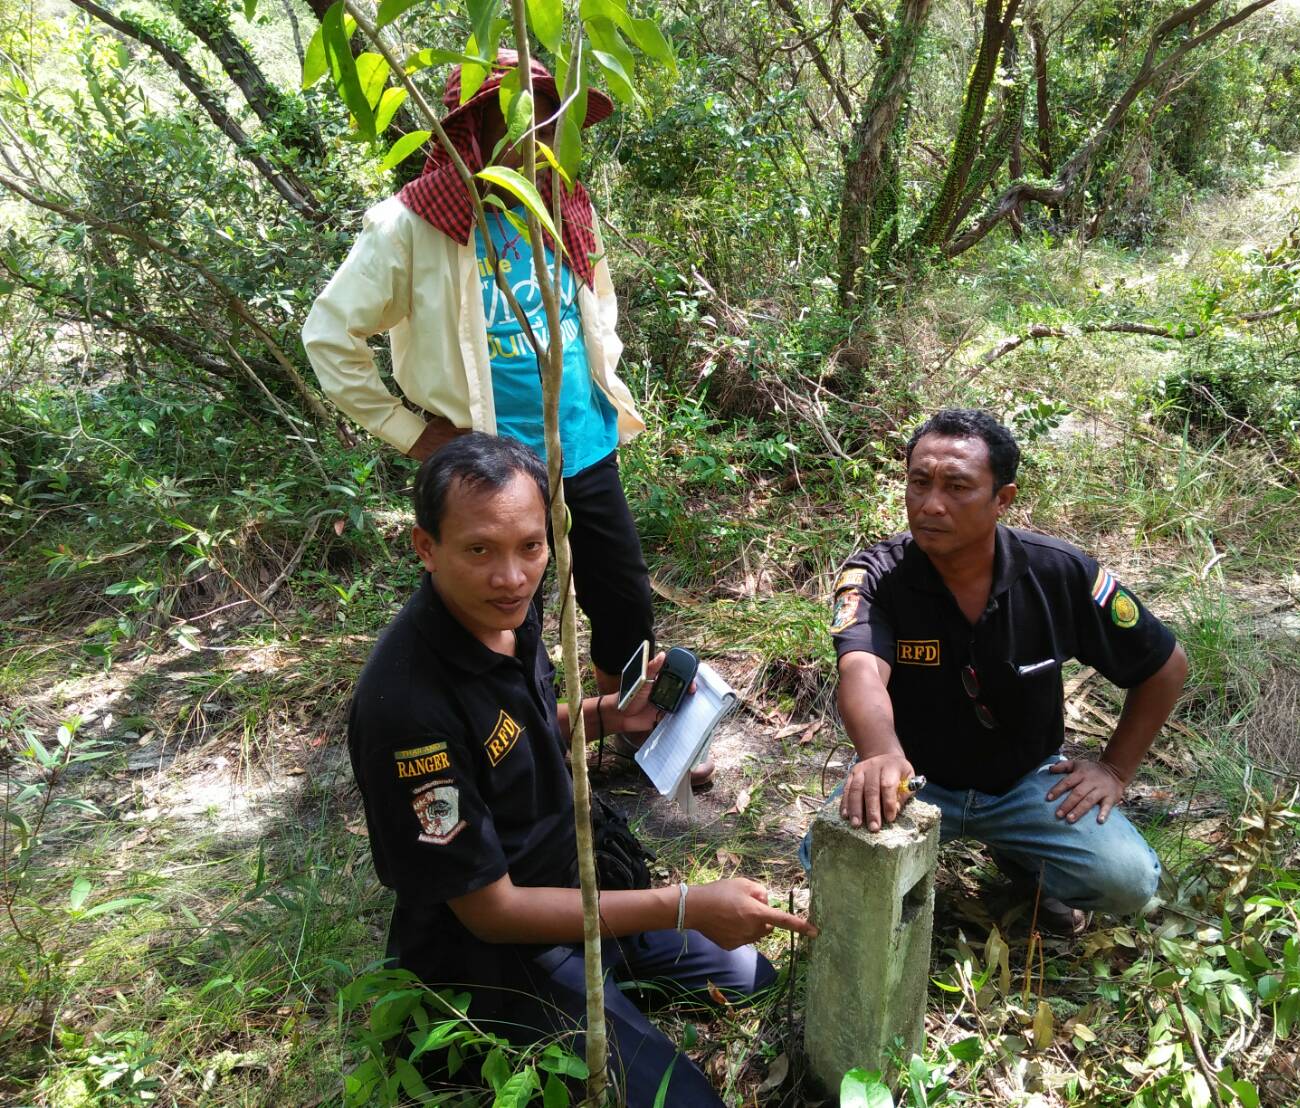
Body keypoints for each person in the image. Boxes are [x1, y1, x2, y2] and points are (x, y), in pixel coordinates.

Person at [349, 433, 814, 1105]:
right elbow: (492, 913)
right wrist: (685, 905)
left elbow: (517, 726)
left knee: (750, 978)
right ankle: (528, 1028)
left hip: (573, 880)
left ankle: (611, 982)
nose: (511, 576)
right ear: (427, 548)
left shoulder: (506, 613)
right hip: (497, 951)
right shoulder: (408, 709)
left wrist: (610, 714)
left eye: (529, 547)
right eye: (479, 550)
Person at [302, 51, 714, 783]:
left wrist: (602, 375)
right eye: (523, 117)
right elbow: (330, 334)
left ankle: (636, 730)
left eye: (550, 119)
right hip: (489, 472)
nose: (540, 137)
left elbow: (596, 301)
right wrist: (414, 433)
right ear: (475, 128)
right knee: (508, 612)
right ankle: (526, 752)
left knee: (622, 595)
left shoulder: (565, 203)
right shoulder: (412, 225)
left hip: (583, 443)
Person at [805, 409, 1188, 935]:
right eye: (919, 482)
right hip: (913, 777)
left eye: (957, 486)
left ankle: (1028, 866)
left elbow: (1165, 666)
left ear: (1001, 499)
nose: (931, 504)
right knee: (829, 865)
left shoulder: (1058, 573)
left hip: (1026, 782)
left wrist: (1114, 771)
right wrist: (880, 754)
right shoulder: (875, 576)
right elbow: (862, 671)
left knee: (1127, 881)